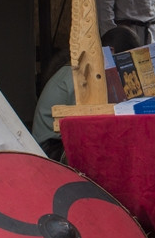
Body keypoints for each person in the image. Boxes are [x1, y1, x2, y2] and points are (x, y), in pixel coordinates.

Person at [31, 26, 141, 162]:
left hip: (61, 140)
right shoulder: (82, 77)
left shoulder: (88, 69)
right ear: (111, 52)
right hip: (50, 149)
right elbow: (89, 125)